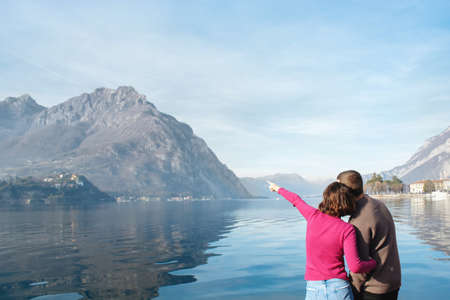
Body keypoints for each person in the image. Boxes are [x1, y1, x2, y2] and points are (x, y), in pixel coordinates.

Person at [268, 181, 377, 300]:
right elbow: (355, 267)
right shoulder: (347, 229)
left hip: (314, 288)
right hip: (339, 288)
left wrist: (278, 189)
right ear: (346, 203)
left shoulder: (312, 216)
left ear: (326, 199)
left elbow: (296, 199)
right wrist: (373, 263)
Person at [336, 170, 401, 300]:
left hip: (374, 289)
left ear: (345, 192)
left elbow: (359, 267)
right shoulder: (378, 204)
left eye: (338, 189)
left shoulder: (359, 221)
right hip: (393, 281)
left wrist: (353, 290)